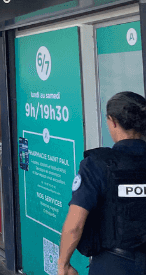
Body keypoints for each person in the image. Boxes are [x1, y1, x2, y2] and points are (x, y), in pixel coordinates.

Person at [58, 91, 146, 275]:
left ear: (113, 122)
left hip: (114, 264)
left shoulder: (98, 164)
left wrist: (64, 265)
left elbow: (75, 224)